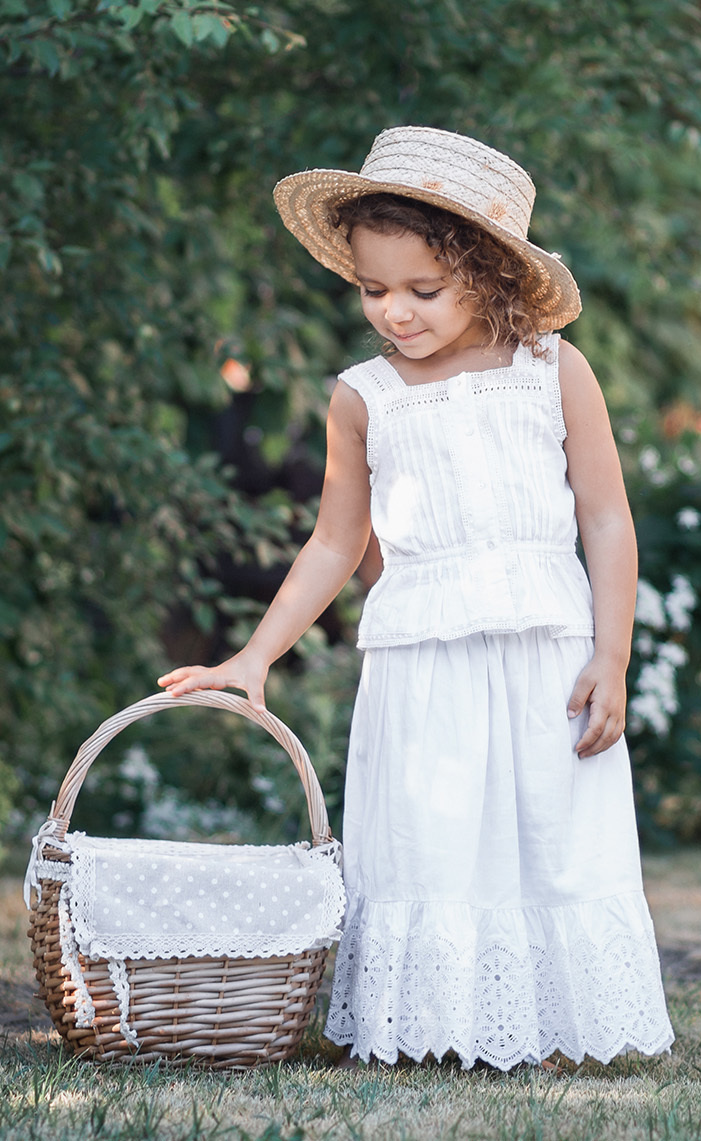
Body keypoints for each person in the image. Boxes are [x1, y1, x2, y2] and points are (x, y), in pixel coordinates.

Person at [159, 126, 673, 1071]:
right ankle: (438, 1019)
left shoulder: (554, 370)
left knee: (551, 828)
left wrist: (613, 652)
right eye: (372, 289)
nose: (393, 311)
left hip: (544, 650)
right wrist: (254, 655)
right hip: (423, 656)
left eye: (421, 290)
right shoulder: (364, 396)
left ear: (488, 275)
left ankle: (551, 1023)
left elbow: (606, 518)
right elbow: (335, 539)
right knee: (430, 835)